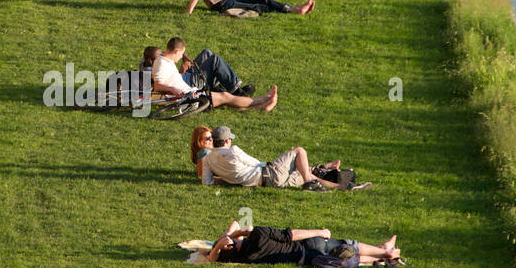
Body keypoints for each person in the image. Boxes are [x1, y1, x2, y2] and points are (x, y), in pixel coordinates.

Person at [199, 126, 366, 192]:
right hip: (268, 173)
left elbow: (207, 182)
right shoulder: (233, 151)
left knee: (306, 173)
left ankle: (342, 187)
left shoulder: (208, 160)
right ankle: (310, 182)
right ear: (227, 140)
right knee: (300, 151)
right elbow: (255, 163)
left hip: (268, 184)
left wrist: (228, 179)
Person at [150, 37, 278, 112]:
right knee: (225, 96)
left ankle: (260, 105)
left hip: (191, 92)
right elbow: (157, 86)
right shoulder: (161, 63)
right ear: (176, 51)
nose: (180, 57)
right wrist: (172, 89)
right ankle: (258, 100)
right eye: (181, 54)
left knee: (225, 98)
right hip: (190, 98)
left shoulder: (165, 60)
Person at [206, 219, 401, 267]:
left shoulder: (245, 258)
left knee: (346, 253)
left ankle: (384, 253)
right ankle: (383, 251)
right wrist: (320, 231)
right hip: (309, 245)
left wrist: (218, 246)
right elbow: (291, 235)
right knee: (349, 244)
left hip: (307, 258)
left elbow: (213, 259)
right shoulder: (258, 234)